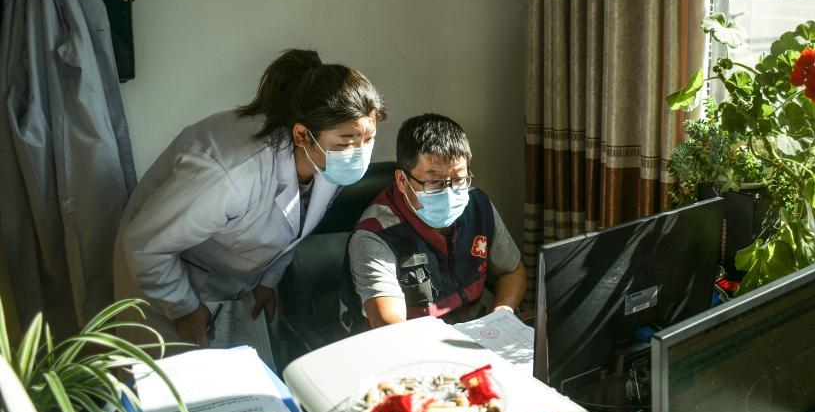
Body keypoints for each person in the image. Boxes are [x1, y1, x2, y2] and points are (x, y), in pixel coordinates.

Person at [113, 49, 385, 346]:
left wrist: (267, 281)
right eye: (347, 141)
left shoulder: (325, 160)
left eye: (368, 138)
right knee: (180, 372)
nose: (359, 152)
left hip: (232, 280)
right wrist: (183, 307)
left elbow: (293, 226)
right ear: (302, 135)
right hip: (165, 281)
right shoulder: (232, 174)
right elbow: (146, 245)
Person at [348, 113, 527, 327]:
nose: (450, 193)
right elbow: (390, 324)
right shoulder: (375, 233)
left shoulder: (477, 205)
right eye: (434, 182)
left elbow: (512, 272)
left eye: (458, 179)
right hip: (412, 341)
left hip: (473, 330)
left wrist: (501, 316)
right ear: (402, 181)